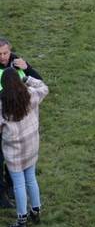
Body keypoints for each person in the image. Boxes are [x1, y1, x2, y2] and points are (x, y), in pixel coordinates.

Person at [1, 68, 47, 227]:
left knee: (19, 185)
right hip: (31, 145)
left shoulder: (2, 104)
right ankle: (36, 211)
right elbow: (44, 88)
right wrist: (28, 78)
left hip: (14, 152)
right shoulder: (31, 94)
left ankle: (22, 219)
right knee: (31, 179)